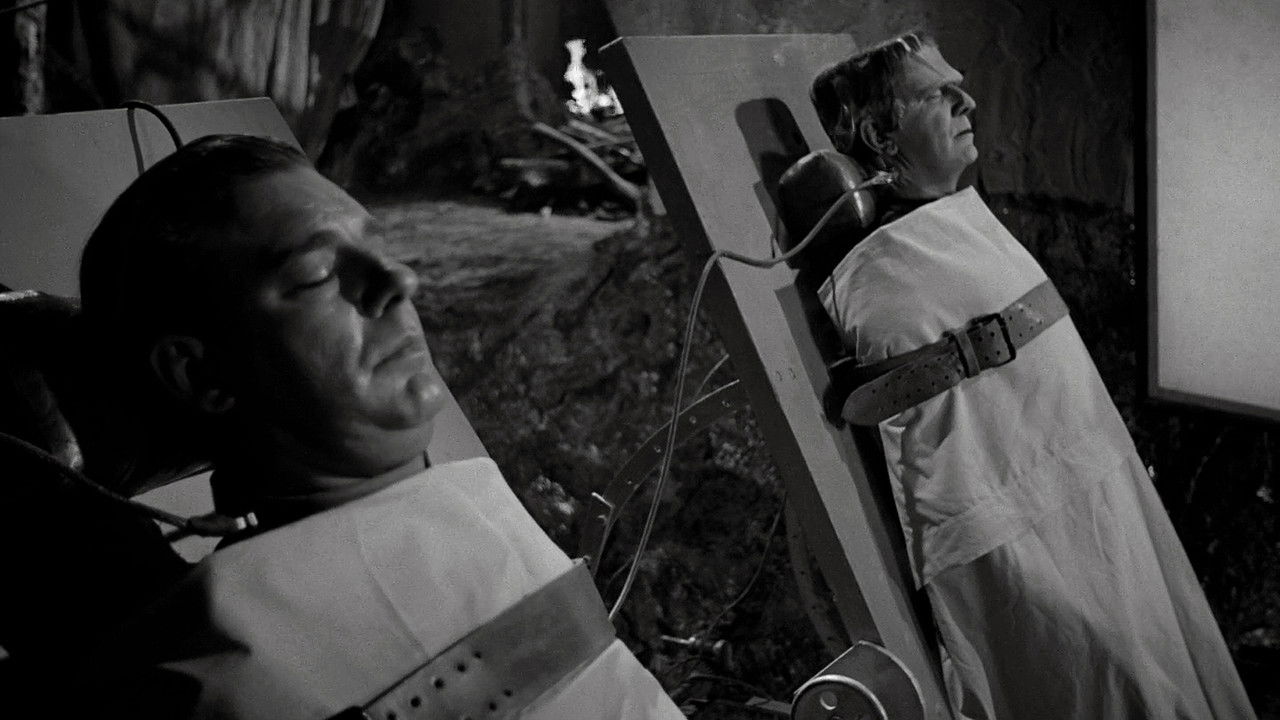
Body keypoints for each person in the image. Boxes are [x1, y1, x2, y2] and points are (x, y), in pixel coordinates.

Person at [74, 134, 684, 719]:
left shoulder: (466, 509)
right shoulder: (211, 676)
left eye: (379, 248)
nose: (399, 281)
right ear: (201, 374)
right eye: (316, 274)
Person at [794, 32, 1257, 720]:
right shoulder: (889, 263)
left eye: (958, 85)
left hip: (1089, 489)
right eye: (936, 94)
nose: (968, 102)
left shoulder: (955, 225)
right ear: (879, 135)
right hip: (1017, 529)